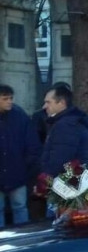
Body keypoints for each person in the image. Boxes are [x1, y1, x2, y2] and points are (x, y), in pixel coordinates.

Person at [0, 84, 41, 226]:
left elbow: (32, 145)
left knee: (20, 208)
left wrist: (25, 168)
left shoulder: (20, 116)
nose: (10, 101)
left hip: (17, 174)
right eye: (5, 98)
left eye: (11, 98)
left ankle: (23, 242)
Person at [39, 85, 88, 176]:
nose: (44, 106)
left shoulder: (66, 125)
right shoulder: (69, 121)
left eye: (48, 102)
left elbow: (60, 159)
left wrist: (44, 183)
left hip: (64, 183)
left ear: (61, 102)